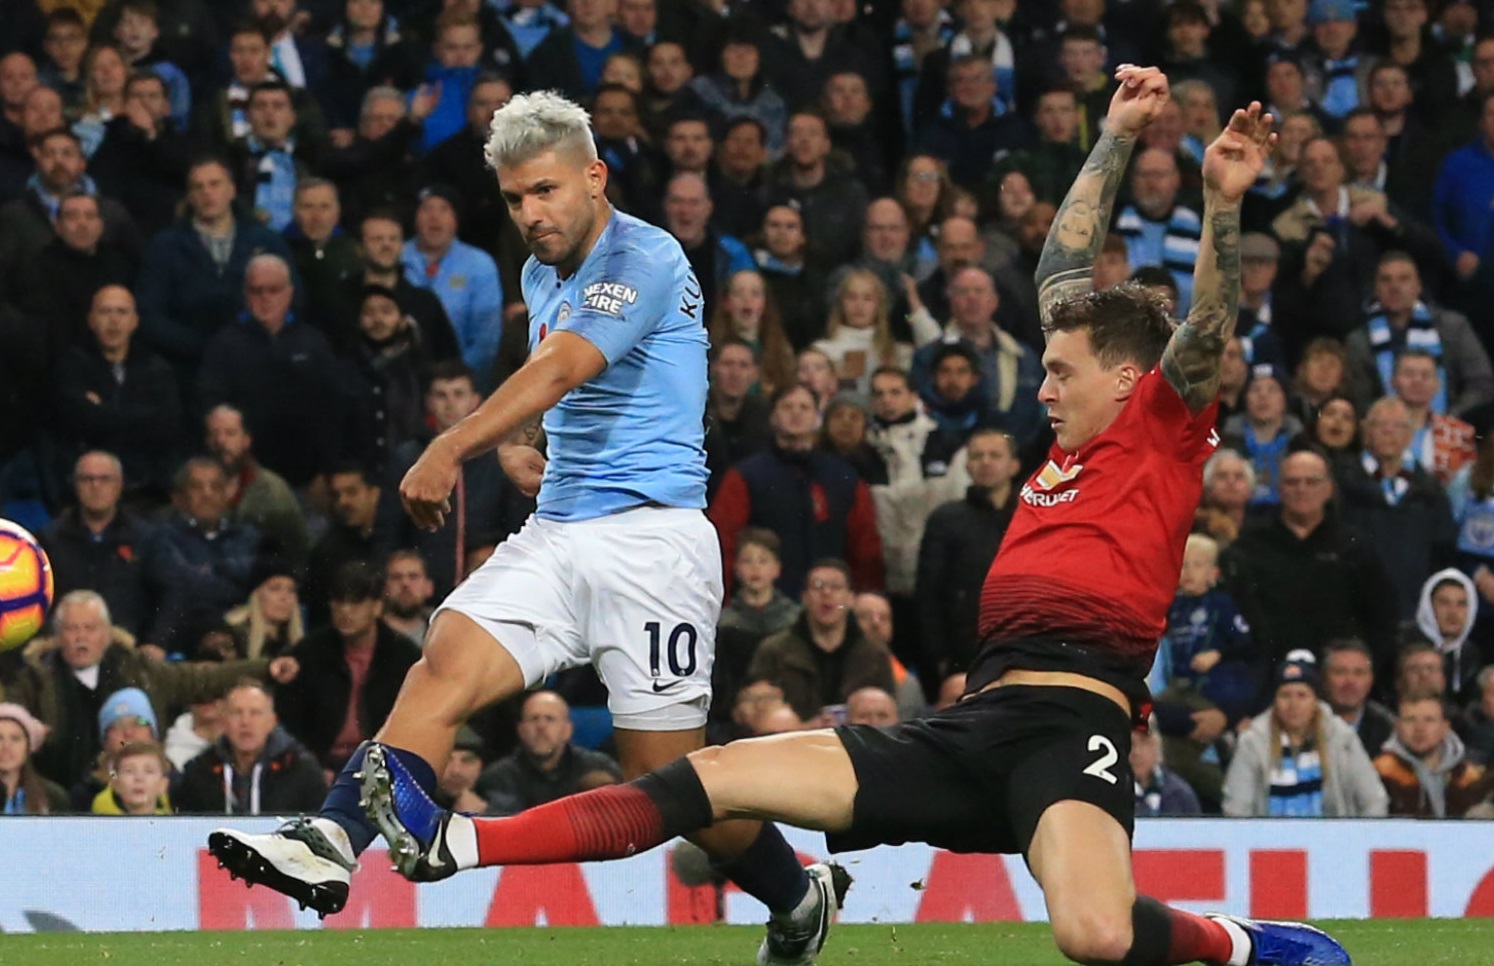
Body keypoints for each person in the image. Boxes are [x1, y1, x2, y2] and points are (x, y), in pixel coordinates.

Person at [354, 73, 1353, 966]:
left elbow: (1209, 324)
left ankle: (1235, 944)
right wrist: (1115, 135)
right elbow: (1064, 261)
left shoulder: (1164, 431)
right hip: (971, 723)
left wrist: (1223, 202)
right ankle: (457, 842)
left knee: (1094, 935)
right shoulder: (1070, 440)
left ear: (1129, 378)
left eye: (1059, 371)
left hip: (1073, 723)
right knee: (709, 779)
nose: (1042, 386)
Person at [210, 90, 840, 966]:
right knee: (443, 661)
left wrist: (453, 446)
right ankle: (331, 838)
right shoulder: (542, 272)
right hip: (558, 530)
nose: (531, 214)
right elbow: (566, 386)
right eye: (513, 199)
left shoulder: (645, 255)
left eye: (546, 190)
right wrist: (531, 445)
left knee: (670, 784)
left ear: (595, 176)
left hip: (653, 545)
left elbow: (563, 367)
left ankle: (797, 893)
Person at [1222, 651, 1389, 818]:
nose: (1293, 704)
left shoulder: (1342, 737)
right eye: (1285, 695)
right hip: (1269, 834)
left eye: (1302, 696)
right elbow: (1236, 807)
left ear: (1315, 700)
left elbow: (1374, 800)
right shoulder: (1253, 741)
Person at [916, 428, 1019, 676]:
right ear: (967, 465)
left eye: (995, 455)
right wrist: (939, 656)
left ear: (1014, 465)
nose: (986, 462)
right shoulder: (945, 520)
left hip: (1021, 647)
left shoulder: (1032, 518)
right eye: (977, 456)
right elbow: (928, 595)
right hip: (964, 655)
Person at [745, 559, 896, 722]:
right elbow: (757, 716)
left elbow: (888, 715)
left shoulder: (875, 655)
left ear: (850, 599)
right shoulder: (773, 651)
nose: (827, 593)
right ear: (804, 597)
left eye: (836, 587)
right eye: (818, 586)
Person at [177, 680, 327, 815]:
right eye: (237, 713)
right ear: (223, 721)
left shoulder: (301, 769)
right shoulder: (200, 770)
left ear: (272, 722)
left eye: (255, 713)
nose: (245, 722)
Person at [475, 690, 622, 815]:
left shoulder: (599, 768)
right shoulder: (497, 778)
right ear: (521, 730)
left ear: (567, 730)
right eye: (533, 719)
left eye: (550, 719)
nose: (541, 726)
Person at [1373, 690, 1494, 817]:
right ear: (1397, 727)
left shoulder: (1468, 777)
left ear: (1445, 727)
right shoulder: (1379, 773)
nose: (1419, 728)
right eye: (1410, 720)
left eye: (1429, 720)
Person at [1322, 638, 1396, 759]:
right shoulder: (1304, 724)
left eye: (1359, 673)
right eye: (1340, 672)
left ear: (1371, 680)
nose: (1350, 681)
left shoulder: (1389, 729)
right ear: (1324, 679)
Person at [0, 702, 68, 814]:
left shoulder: (53, 797)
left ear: (28, 746)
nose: (6, 747)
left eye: (15, 739)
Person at [1129, 722, 1201, 818]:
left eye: (1145, 742)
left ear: (1157, 744)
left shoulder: (1181, 793)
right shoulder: (1111, 795)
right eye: (1129, 743)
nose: (1136, 752)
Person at [93, 739, 172, 815]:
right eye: (129, 771)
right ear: (116, 784)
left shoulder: (172, 823)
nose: (139, 778)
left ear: (163, 784)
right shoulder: (104, 823)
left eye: (149, 771)